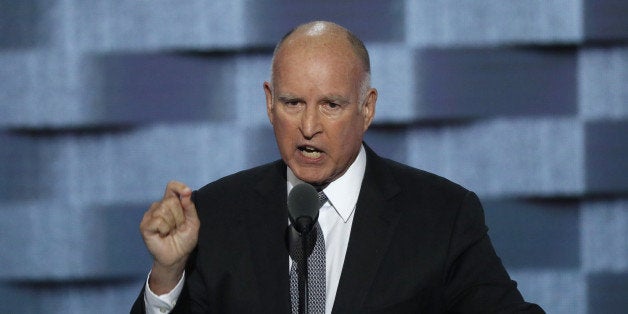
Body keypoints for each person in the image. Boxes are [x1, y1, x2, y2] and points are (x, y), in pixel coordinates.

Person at [131, 21, 544, 313]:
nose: (308, 127)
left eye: (331, 105)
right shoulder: (215, 214)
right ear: (269, 103)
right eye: (293, 103)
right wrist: (167, 275)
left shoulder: (442, 216)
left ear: (367, 108)